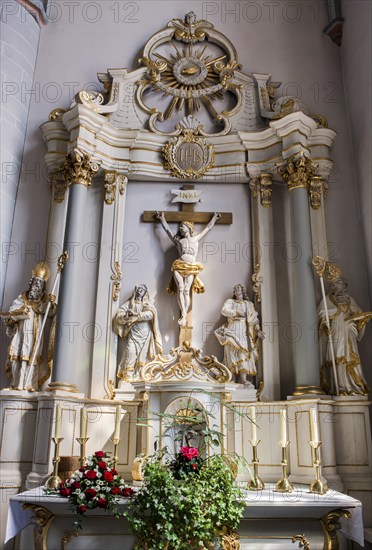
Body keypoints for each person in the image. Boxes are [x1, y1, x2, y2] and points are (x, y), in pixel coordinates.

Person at [155, 211, 221, 326]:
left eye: (183, 227)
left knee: (186, 290)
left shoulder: (196, 239)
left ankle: (184, 315)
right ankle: (184, 315)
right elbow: (167, 231)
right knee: (180, 288)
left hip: (191, 267)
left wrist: (214, 218)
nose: (181, 229)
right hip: (179, 265)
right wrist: (162, 219)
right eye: (180, 228)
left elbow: (208, 228)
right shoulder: (179, 241)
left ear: (189, 229)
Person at [1, 261, 56, 391]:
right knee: (17, 357)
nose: (36, 286)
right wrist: (12, 318)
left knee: (32, 358)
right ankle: (16, 384)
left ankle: (29, 384)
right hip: (20, 332)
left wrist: (52, 304)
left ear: (43, 286)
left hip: (34, 334)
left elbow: (50, 312)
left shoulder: (44, 300)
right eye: (35, 282)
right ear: (31, 283)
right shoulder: (23, 297)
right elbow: (12, 311)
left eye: (39, 284)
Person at [318, 264, 371, 396]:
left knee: (350, 360)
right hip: (335, 335)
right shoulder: (326, 301)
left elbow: (356, 313)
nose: (339, 287)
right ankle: (340, 387)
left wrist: (359, 319)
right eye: (336, 284)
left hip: (348, 335)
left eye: (341, 284)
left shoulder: (350, 300)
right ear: (332, 287)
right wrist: (326, 325)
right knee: (338, 360)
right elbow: (321, 318)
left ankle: (353, 387)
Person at [215, 284, 264, 386]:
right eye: (235, 290)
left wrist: (258, 330)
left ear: (243, 291)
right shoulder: (230, 302)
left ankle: (243, 378)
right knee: (231, 351)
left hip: (244, 330)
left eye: (239, 289)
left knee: (243, 351)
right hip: (232, 327)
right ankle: (231, 377)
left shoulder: (249, 304)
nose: (237, 291)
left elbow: (254, 320)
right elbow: (224, 310)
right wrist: (236, 312)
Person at [114, 285, 163, 382]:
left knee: (143, 355)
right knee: (130, 351)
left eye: (143, 290)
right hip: (133, 332)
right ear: (136, 291)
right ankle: (128, 375)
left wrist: (137, 315)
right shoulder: (129, 304)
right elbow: (119, 316)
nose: (141, 291)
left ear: (145, 292)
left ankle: (139, 375)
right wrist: (126, 316)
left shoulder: (147, 304)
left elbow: (151, 314)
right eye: (139, 289)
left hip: (145, 334)